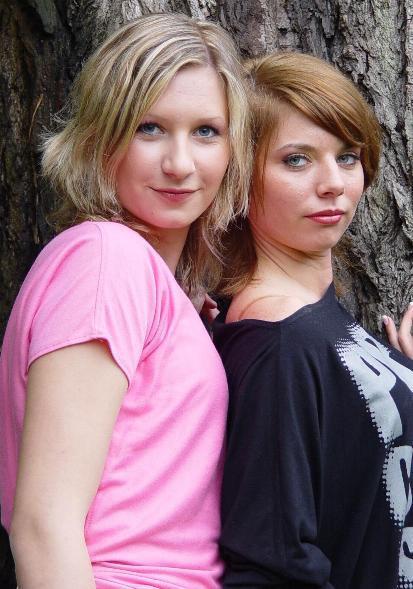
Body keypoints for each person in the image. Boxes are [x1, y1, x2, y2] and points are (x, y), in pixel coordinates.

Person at [0, 13, 252, 589]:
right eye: (149, 128)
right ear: (102, 136)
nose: (180, 163)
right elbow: (43, 526)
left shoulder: (149, 281)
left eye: (206, 132)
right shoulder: (106, 260)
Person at [213, 52, 413, 588]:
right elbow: (271, 563)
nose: (333, 184)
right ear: (239, 175)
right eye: (297, 160)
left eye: (347, 157)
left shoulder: (313, 315)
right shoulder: (280, 342)